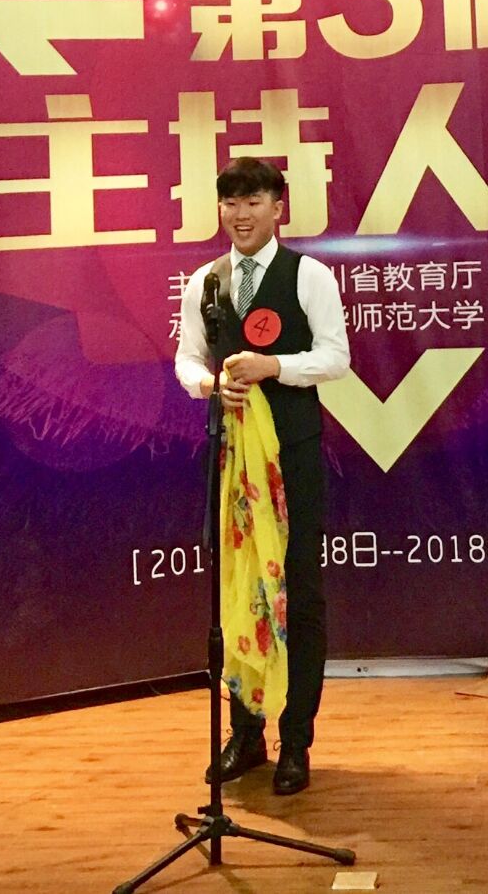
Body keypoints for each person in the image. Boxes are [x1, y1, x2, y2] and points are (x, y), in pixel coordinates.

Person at [173, 156, 351, 795]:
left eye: (253, 202)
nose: (241, 214)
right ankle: (245, 733)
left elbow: (336, 358)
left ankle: (295, 740)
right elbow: (186, 359)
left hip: (291, 457)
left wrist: (274, 368)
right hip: (232, 459)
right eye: (230, 202)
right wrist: (209, 384)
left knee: (298, 594)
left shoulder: (309, 276)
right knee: (237, 591)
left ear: (279, 208)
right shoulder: (206, 282)